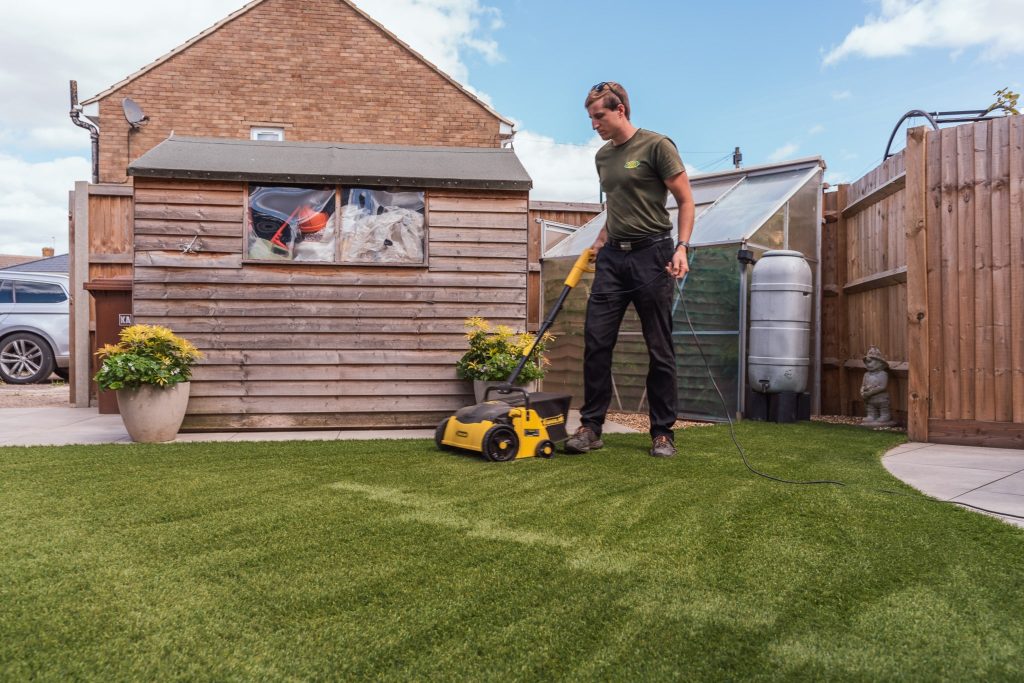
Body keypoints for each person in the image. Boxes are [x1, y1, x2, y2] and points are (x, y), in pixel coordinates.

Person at [565, 81, 695, 458]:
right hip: (613, 260)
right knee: (596, 341)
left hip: (652, 255)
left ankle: (662, 432)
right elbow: (617, 206)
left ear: (620, 109)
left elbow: (686, 201)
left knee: (659, 346)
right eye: (591, 118)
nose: (594, 125)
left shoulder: (657, 146)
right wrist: (603, 237)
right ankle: (591, 427)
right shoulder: (603, 157)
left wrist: (682, 247)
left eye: (599, 116)